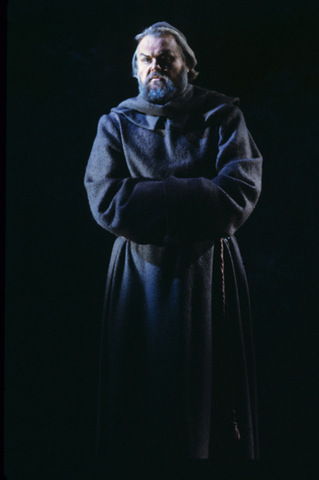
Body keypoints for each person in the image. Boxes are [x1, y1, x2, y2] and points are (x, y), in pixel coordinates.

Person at [84, 21, 262, 471]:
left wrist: (153, 195)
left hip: (208, 271)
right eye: (146, 60)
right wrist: (196, 193)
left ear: (187, 67)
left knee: (206, 393)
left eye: (166, 58)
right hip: (139, 275)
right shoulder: (116, 123)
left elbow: (237, 191)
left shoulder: (222, 117)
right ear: (136, 70)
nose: (156, 67)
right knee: (141, 396)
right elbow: (106, 199)